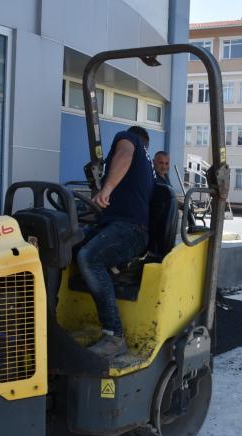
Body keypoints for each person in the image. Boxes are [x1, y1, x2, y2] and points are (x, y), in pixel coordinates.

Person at [76, 125, 155, 359]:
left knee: (89, 258)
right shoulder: (145, 170)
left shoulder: (129, 139)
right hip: (117, 225)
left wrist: (106, 188)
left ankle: (114, 336)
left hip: (131, 230)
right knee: (62, 245)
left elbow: (124, 154)